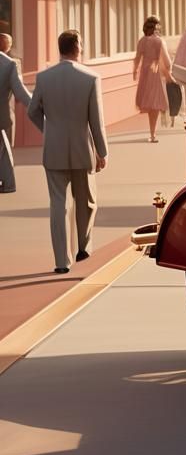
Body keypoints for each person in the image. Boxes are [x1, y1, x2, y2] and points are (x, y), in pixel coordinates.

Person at [27, 30, 108, 273]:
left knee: (58, 206)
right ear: (78, 47)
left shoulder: (43, 78)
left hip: (54, 150)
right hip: (83, 149)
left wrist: (49, 129)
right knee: (87, 202)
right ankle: (84, 245)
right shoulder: (90, 78)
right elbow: (96, 120)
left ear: (60, 48)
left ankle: (61, 261)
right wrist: (102, 151)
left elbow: (32, 111)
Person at [133, 16, 173, 142]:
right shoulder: (159, 41)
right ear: (157, 27)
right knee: (156, 104)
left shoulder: (142, 41)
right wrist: (168, 70)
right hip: (156, 73)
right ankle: (153, 134)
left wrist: (135, 71)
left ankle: (152, 133)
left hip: (145, 73)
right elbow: (167, 61)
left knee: (151, 104)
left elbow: (137, 58)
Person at [0, 33, 31, 193]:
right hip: (3, 116)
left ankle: (7, 184)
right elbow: (21, 94)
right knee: (5, 150)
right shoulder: (9, 64)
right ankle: (7, 184)